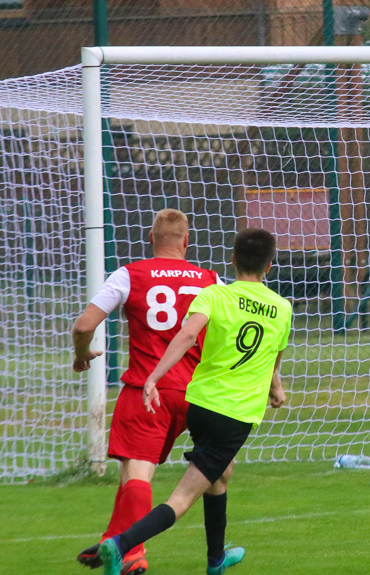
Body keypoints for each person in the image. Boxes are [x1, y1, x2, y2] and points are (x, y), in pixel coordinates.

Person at [87, 227, 292, 575]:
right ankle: (120, 545)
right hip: (234, 416)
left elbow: (186, 335)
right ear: (270, 266)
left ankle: (216, 562)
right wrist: (277, 388)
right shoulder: (282, 308)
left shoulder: (214, 294)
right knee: (181, 499)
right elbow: (273, 357)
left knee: (221, 475)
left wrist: (153, 376)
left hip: (199, 405)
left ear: (232, 259)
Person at [73, 209, 224, 575]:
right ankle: (113, 538)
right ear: (187, 241)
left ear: (151, 238)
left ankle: (133, 552)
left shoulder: (130, 274)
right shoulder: (211, 280)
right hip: (197, 395)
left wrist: (81, 355)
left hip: (148, 390)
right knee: (205, 474)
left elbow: (83, 325)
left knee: (137, 474)